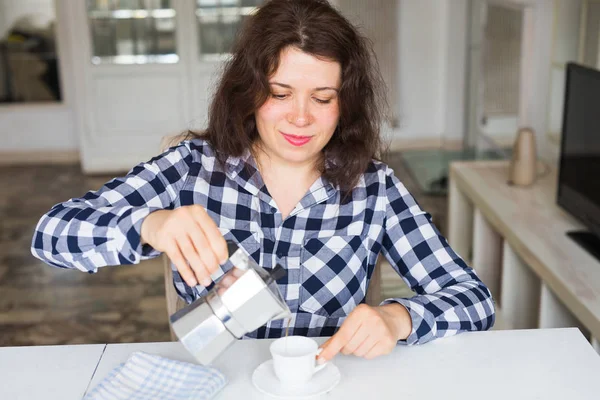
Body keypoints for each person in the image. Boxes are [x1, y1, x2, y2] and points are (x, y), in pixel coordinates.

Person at [31, 0, 495, 364]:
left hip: (328, 383)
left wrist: (398, 319)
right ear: (250, 92)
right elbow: (51, 235)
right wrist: (149, 226)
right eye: (280, 93)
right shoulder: (192, 168)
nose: (300, 116)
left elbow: (473, 299)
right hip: (222, 383)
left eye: (323, 97)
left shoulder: (374, 188)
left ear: (345, 105)